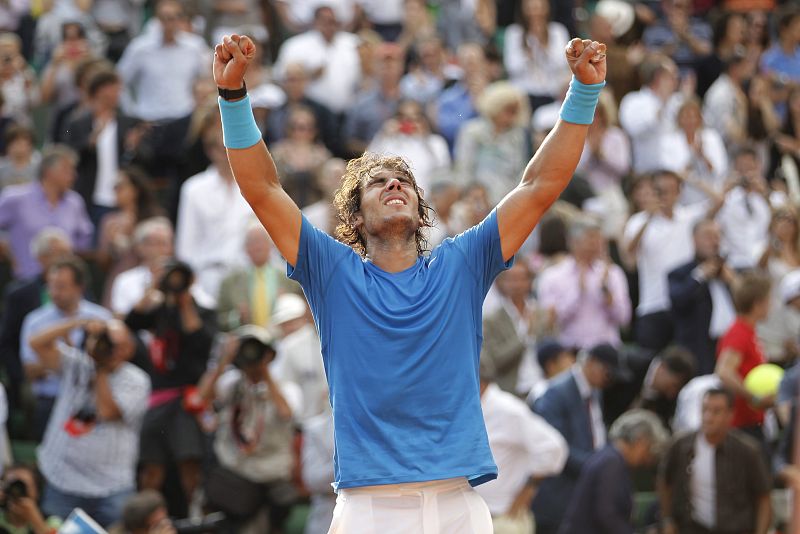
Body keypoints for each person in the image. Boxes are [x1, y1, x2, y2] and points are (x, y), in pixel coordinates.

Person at [214, 31, 607, 532]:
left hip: (458, 506)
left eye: (402, 180)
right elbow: (263, 188)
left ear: (422, 213)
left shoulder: (461, 264)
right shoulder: (330, 270)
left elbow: (538, 186)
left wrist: (583, 92)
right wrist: (232, 97)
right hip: (369, 509)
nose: (393, 183)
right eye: (377, 182)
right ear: (354, 219)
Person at [28, 318, 150, 528]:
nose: (111, 350)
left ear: (130, 349)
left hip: (111, 489)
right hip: (63, 483)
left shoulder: (137, 380)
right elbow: (36, 343)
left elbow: (106, 410)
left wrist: (100, 366)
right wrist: (80, 322)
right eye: (107, 343)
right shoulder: (76, 363)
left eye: (118, 346)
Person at [124, 260, 216, 518]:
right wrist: (155, 287)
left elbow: (200, 341)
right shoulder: (157, 310)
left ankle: (195, 519)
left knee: (189, 467)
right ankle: (143, 520)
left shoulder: (203, 311)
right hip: (158, 398)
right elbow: (129, 324)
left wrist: (184, 300)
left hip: (187, 401)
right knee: (151, 468)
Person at [197, 326, 300, 534]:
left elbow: (286, 413)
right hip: (233, 477)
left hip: (269, 478)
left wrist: (265, 372)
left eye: (257, 350)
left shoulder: (286, 388)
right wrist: (224, 360)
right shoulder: (232, 383)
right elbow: (202, 398)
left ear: (270, 354)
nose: (251, 357)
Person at [530, 343, 623, 534]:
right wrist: (597, 467)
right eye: (608, 373)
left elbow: (597, 433)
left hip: (582, 490)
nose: (610, 380)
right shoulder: (555, 394)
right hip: (558, 495)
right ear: (591, 363)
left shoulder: (595, 391)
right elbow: (556, 448)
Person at [20, 257, 112, 440]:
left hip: (89, 400)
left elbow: (110, 363)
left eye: (61, 286)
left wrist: (53, 361)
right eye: (51, 285)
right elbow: (30, 370)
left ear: (80, 287)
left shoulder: (102, 318)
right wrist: (70, 359)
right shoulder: (34, 320)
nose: (54, 292)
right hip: (49, 400)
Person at [658, 388, 772, 534]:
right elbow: (664, 481)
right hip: (692, 528)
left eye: (716, 411)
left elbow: (764, 496)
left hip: (736, 529)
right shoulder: (681, 445)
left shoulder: (747, 451)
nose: (708, 417)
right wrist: (668, 519)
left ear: (730, 415)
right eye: (705, 409)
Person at [475, 363, 567, 534]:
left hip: (503, 518)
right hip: (472, 514)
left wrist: (528, 489)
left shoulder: (508, 410)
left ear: (478, 381)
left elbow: (554, 447)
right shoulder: (467, 408)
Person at [559, 410, 668, 534]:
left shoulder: (611, 458)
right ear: (640, 441)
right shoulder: (611, 463)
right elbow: (607, 513)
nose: (646, 459)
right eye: (648, 449)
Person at [0, 228, 71, 415]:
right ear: (42, 258)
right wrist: (22, 379)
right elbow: (6, 343)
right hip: (33, 377)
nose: (67, 259)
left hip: (73, 376)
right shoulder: (19, 294)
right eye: (61, 254)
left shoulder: (80, 289)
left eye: (69, 253)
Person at [0, 144, 93, 279]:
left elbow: (85, 238)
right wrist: (7, 250)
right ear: (48, 171)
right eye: (67, 170)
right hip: (26, 282)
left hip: (65, 284)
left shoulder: (75, 202)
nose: (74, 175)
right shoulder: (15, 198)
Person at [537, 219, 630, 350]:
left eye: (600, 240)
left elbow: (624, 318)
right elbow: (550, 321)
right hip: (571, 349)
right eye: (591, 239)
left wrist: (606, 293)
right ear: (574, 242)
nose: (597, 245)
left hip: (607, 349)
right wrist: (577, 291)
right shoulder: (552, 276)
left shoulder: (613, 273)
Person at [668, 218, 736, 375]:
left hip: (729, 345)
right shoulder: (680, 273)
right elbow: (678, 300)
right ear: (694, 239)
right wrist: (699, 276)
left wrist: (733, 282)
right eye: (708, 236)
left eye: (718, 236)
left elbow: (748, 303)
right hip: (700, 350)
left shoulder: (729, 273)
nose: (714, 242)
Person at [715, 271, 773, 439]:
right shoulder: (739, 333)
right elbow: (724, 372)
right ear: (758, 304)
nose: (771, 305)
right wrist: (755, 397)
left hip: (751, 422)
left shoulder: (749, 332)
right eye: (768, 300)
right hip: (741, 426)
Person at [270, 293, 328, 423]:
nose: (289, 327)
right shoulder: (287, 347)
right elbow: (287, 386)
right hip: (306, 423)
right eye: (284, 324)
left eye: (292, 321)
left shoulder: (338, 338)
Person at [0, 464, 61, 534]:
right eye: (11, 485)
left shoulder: (52, 522)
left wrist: (35, 520)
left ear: (37, 491)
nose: (16, 491)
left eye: (23, 486)